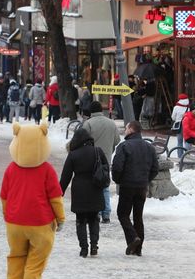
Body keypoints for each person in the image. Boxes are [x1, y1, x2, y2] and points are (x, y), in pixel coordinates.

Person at [1, 123, 65, 279]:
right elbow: (55, 199)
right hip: (40, 222)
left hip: (14, 222)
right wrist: (60, 218)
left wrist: (7, 215)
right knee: (37, 256)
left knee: (16, 254)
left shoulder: (11, 169)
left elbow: (4, 197)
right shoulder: (47, 170)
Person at [111, 121, 159, 257]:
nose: (125, 130)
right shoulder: (149, 148)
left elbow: (117, 167)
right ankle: (137, 249)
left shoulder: (124, 146)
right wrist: (146, 179)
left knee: (122, 214)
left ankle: (133, 239)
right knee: (138, 217)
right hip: (141, 187)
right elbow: (155, 168)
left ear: (131, 130)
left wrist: (118, 180)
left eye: (126, 128)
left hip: (127, 185)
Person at [60, 128, 106, 257]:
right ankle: (94, 246)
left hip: (79, 189)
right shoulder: (98, 151)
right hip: (95, 188)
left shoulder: (73, 154)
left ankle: (84, 248)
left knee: (80, 220)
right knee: (94, 218)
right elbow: (106, 167)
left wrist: (59, 192)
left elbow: (65, 176)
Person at [82, 101, 120, 224]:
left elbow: (82, 141)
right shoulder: (111, 123)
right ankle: (106, 213)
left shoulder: (88, 124)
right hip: (106, 160)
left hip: (90, 160)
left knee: (93, 186)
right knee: (104, 186)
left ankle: (96, 212)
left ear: (91, 112)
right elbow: (117, 140)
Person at [170, 94, 190, 158]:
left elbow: (173, 117)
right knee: (187, 141)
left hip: (179, 126)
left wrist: (178, 119)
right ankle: (187, 156)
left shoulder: (176, 107)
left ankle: (180, 157)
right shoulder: (189, 107)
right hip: (187, 126)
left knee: (179, 142)